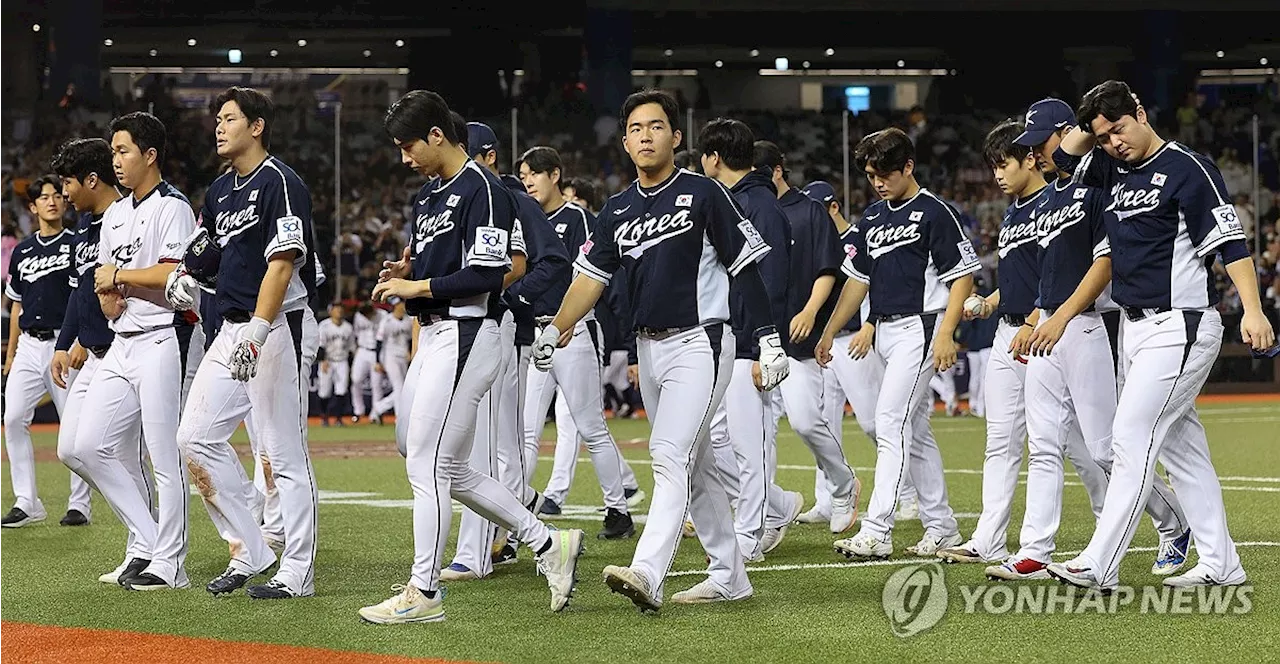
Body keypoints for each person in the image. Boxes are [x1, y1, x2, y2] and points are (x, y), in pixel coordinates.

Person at [535, 89, 787, 610]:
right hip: (651, 349)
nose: (645, 135)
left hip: (703, 340)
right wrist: (557, 327)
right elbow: (590, 279)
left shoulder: (704, 193)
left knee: (669, 454)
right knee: (695, 467)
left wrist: (767, 339)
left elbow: (745, 269)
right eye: (635, 129)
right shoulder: (617, 209)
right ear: (625, 142)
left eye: (655, 127)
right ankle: (729, 576)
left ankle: (647, 570)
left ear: (676, 137)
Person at [358, 90, 582, 624]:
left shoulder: (484, 188)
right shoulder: (429, 196)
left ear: (437, 135)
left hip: (469, 330)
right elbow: (437, 269)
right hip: (436, 334)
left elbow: (485, 275)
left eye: (408, 145)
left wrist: (414, 288)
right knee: (441, 462)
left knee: (428, 463)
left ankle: (423, 592)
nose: (404, 157)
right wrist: (403, 274)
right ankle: (547, 542)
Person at [1047, 81, 1273, 589]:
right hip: (1135, 329)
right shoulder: (1110, 168)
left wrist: (1254, 311)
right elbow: (1061, 159)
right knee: (1181, 450)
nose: (1114, 143)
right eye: (1103, 137)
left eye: (1119, 128)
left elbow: (1230, 243)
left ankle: (1097, 564)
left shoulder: (1188, 169)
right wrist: (1092, 126)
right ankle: (1222, 564)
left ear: (1142, 113)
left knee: (1130, 438)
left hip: (1181, 324)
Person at [164, 86, 321, 599]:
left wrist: (259, 326)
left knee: (282, 453)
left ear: (256, 126)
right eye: (217, 118)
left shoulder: (281, 181)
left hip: (275, 326)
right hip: (231, 328)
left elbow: (283, 260)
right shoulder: (219, 191)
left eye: (228, 117)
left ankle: (297, 570)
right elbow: (203, 251)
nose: (217, 126)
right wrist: (185, 276)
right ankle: (250, 547)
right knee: (194, 438)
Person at [934, 119, 1107, 569]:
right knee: (1005, 441)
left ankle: (1120, 522)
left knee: (1085, 447)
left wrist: (1033, 320)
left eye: (1002, 163)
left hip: (1044, 330)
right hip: (1010, 332)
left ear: (1031, 158)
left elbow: (1055, 280)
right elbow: (1022, 278)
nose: (996, 174)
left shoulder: (1055, 205)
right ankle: (989, 540)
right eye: (992, 165)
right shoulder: (1014, 210)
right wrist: (991, 302)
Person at [816, 127, 973, 559]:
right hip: (884, 331)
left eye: (886, 172)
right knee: (914, 431)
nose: (878, 181)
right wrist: (830, 330)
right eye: (870, 175)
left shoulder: (934, 212)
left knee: (889, 422)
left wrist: (946, 331)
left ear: (909, 166)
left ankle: (877, 529)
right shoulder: (872, 217)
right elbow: (856, 282)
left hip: (920, 328)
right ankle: (942, 528)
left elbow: (962, 276)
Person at [70, 111, 194, 590]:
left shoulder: (174, 206)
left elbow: (173, 276)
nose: (116, 160)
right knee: (85, 446)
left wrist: (120, 279)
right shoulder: (116, 214)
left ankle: (171, 564)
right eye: (114, 151)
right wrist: (110, 291)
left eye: (123, 151)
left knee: (164, 457)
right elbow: (103, 280)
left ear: (150, 155)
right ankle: (147, 542)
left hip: (163, 337)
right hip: (122, 340)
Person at [697, 120, 809, 561]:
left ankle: (750, 534)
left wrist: (767, 344)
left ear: (714, 158)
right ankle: (777, 505)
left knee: (750, 443)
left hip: (751, 341)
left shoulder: (758, 204)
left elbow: (772, 280)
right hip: (732, 337)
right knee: (716, 440)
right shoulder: (739, 199)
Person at [515, 145, 636, 538]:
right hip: (535, 333)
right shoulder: (524, 220)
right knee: (526, 430)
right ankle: (515, 515)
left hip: (573, 332)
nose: (528, 180)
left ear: (556, 175)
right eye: (523, 175)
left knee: (590, 425)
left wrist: (575, 319)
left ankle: (618, 510)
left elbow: (593, 276)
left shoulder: (578, 218)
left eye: (534, 172)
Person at [798, 179, 921, 523]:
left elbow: (873, 284)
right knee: (825, 424)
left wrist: (870, 326)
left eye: (818, 211)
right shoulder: (815, 245)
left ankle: (908, 493)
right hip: (823, 343)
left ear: (833, 207)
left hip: (854, 339)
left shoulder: (857, 237)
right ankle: (828, 499)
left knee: (873, 422)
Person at [1, 175, 83, 528]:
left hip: (62, 346)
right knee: (13, 417)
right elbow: (16, 307)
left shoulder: (76, 243)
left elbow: (83, 299)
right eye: (43, 198)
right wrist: (10, 357)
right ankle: (27, 501)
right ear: (32, 207)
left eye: (56, 196)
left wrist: (78, 342)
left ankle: (79, 505)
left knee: (74, 428)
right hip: (29, 347)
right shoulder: (22, 250)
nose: (51, 202)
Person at [370, 298, 412, 422]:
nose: (402, 306)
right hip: (390, 356)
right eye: (400, 304)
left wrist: (410, 351)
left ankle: (378, 408)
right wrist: (377, 361)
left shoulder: (408, 320)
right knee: (399, 386)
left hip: (403, 356)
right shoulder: (387, 320)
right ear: (395, 306)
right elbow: (378, 342)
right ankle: (399, 417)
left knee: (403, 388)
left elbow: (409, 339)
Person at [316, 302, 354, 426]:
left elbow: (351, 347)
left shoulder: (348, 327)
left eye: (340, 309)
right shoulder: (324, 326)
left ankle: (338, 418)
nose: (339, 311)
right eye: (336, 309)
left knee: (341, 390)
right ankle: (324, 417)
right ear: (330, 311)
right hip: (328, 361)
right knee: (324, 391)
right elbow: (320, 345)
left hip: (342, 361)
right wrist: (323, 360)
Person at [349, 300, 385, 423]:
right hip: (362, 350)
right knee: (356, 379)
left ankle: (376, 414)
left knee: (377, 384)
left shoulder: (383, 315)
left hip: (378, 352)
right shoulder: (359, 316)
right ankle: (358, 410)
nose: (367, 316)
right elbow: (356, 333)